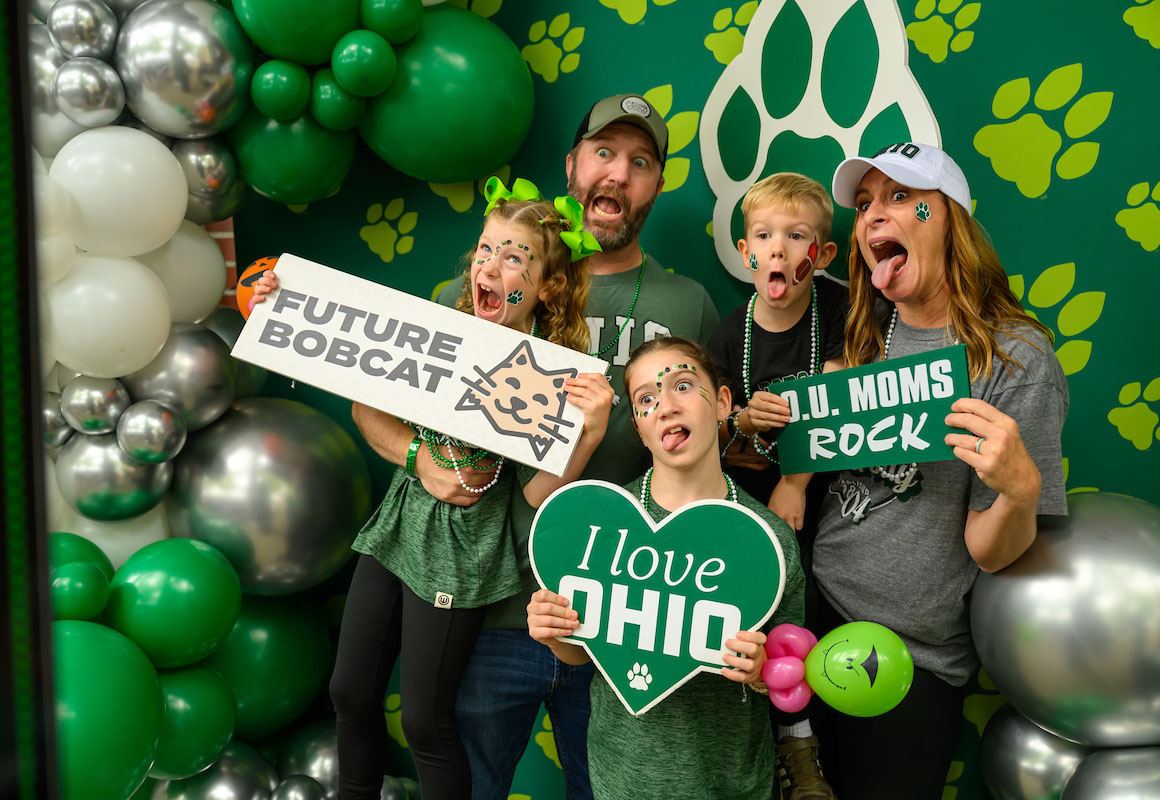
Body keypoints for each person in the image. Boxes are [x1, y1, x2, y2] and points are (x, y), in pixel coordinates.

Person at [250, 185, 615, 799]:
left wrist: (589, 435)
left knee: (423, 718)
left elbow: (533, 498)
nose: (489, 267)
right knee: (349, 690)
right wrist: (277, 303)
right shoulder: (439, 322)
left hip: (463, 550)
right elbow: (363, 391)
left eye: (514, 258)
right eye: (484, 250)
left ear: (547, 287)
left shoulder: (552, 369)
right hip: (399, 522)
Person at [435, 94, 721, 798]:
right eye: (603, 153)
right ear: (572, 166)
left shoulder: (690, 306)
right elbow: (383, 374)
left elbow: (710, 446)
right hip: (498, 605)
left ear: (656, 185)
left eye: (640, 162)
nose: (617, 175)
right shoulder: (488, 287)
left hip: (618, 613)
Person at [808, 142, 1069, 798]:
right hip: (809, 620)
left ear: (949, 216)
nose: (872, 217)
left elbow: (989, 550)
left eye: (901, 197)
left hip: (907, 658)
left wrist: (1020, 489)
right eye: (864, 204)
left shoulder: (1015, 359)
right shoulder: (864, 342)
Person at [527, 336, 805, 800]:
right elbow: (582, 652)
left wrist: (761, 671)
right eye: (646, 400)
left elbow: (789, 666)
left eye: (681, 386)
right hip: (625, 777)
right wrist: (555, 631)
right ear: (638, 426)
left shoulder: (769, 538)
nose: (666, 407)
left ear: (721, 403)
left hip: (731, 781)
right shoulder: (602, 523)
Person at [706, 172, 847, 799]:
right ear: (746, 254)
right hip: (746, 495)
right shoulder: (729, 332)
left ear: (823, 255)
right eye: (765, 236)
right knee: (747, 619)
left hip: (819, 497)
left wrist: (794, 480)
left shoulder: (841, 309)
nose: (781, 249)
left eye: (798, 237)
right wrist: (740, 419)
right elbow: (717, 431)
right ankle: (755, 749)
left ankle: (801, 746)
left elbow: (839, 400)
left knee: (803, 615)